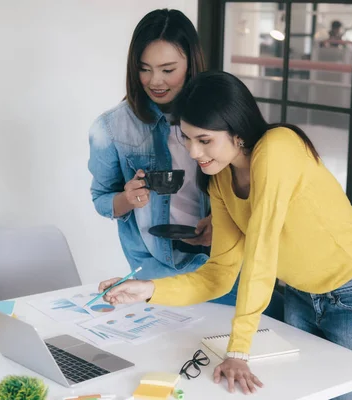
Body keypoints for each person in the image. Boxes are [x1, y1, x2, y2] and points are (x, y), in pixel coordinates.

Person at [97, 71, 352, 400]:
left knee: (350, 396)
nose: (194, 152)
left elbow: (262, 251)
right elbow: (218, 275)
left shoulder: (278, 148)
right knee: (303, 392)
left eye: (205, 140)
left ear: (237, 132)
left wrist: (238, 352)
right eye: (188, 138)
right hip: (300, 294)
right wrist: (147, 290)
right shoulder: (221, 179)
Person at [88, 10, 283, 317]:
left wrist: (221, 226)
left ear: (191, 64)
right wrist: (127, 198)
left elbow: (253, 188)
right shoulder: (111, 128)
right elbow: (101, 199)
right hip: (159, 271)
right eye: (145, 69)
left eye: (168, 69)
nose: (156, 81)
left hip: (225, 264)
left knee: (230, 353)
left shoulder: (220, 115)